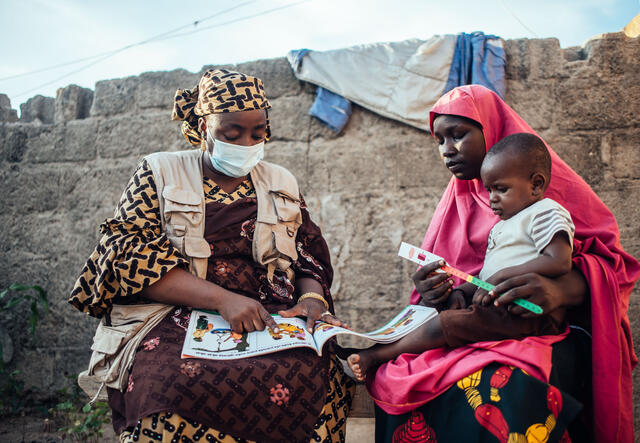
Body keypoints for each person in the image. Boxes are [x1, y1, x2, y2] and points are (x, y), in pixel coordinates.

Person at [69, 68, 355, 443]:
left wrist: (311, 299)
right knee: (165, 386)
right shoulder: (159, 172)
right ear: (203, 126)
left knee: (318, 373)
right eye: (231, 134)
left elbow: (307, 255)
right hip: (172, 316)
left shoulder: (280, 181)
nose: (247, 143)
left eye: (258, 132)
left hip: (268, 315)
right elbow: (129, 258)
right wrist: (222, 299)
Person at [368, 85, 639, 443]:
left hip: (541, 326)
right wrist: (438, 291)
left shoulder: (546, 196)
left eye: (459, 134)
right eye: (439, 140)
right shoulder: (457, 201)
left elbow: (612, 268)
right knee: (395, 372)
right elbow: (462, 279)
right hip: (475, 323)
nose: (447, 150)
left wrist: (559, 290)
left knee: (498, 388)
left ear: (491, 128)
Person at [345, 132, 574, 381]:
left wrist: (503, 276)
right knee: (437, 313)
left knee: (445, 324)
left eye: (501, 189)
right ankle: (379, 348)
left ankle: (376, 356)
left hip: (528, 311)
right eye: (489, 190)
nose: (492, 198)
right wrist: (458, 292)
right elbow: (487, 275)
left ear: (536, 185)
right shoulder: (501, 225)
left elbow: (559, 260)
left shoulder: (544, 211)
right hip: (500, 305)